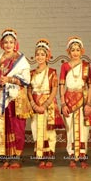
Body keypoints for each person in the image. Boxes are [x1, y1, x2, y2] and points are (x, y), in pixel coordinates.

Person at [0, 28, 32, 169]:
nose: (8, 45)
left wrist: (9, 79)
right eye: (6, 42)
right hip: (2, 96)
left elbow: (26, 80)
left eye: (11, 42)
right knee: (4, 127)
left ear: (16, 43)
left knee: (17, 127)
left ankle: (16, 158)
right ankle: (5, 158)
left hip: (16, 98)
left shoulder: (20, 59)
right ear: (1, 43)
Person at [27, 39, 64, 169]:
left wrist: (45, 104)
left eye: (43, 54)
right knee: (36, 130)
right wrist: (32, 103)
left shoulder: (52, 72)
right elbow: (29, 89)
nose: (40, 57)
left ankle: (49, 157)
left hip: (48, 105)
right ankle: (40, 157)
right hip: (35, 104)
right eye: (37, 54)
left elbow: (54, 90)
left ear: (47, 56)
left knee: (49, 132)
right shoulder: (31, 73)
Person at [59, 36, 91, 169]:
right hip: (68, 100)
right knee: (70, 129)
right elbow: (61, 85)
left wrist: (89, 103)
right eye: (72, 50)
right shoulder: (65, 66)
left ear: (82, 51)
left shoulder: (86, 66)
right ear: (69, 51)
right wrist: (62, 103)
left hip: (83, 100)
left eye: (77, 50)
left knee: (84, 130)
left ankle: (83, 156)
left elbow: (90, 85)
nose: (75, 52)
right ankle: (72, 156)